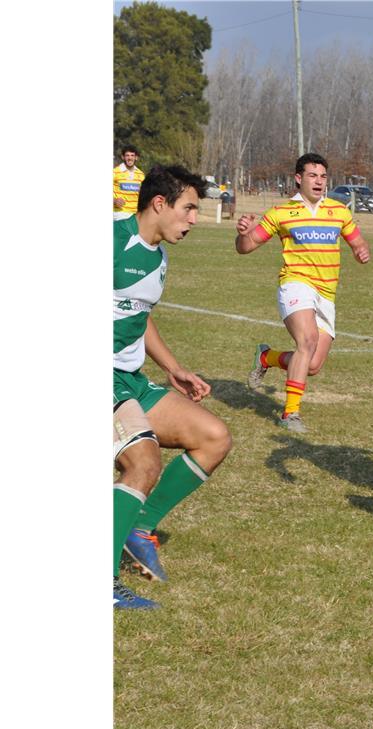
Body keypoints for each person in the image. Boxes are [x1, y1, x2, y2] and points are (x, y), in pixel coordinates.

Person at [113, 166, 233, 608]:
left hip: (131, 380)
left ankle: (139, 527)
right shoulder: (110, 239)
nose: (194, 220)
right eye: (189, 209)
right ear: (159, 204)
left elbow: (139, 316)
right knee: (143, 463)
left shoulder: (159, 256)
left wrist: (174, 368)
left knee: (214, 438)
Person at [237, 152, 371, 432]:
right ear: (299, 179)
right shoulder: (281, 213)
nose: (319, 181)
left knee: (312, 365)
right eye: (312, 175)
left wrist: (361, 251)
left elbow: (358, 243)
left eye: (323, 176)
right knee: (307, 341)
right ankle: (290, 414)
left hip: (327, 293)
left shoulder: (339, 211)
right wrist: (243, 233)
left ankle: (267, 357)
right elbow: (245, 247)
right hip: (295, 284)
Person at [112, 144, 143, 213]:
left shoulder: (141, 175)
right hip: (119, 214)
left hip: (135, 214)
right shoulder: (115, 172)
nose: (130, 158)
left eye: (132, 155)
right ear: (123, 157)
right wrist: (114, 200)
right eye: (127, 155)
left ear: (136, 157)